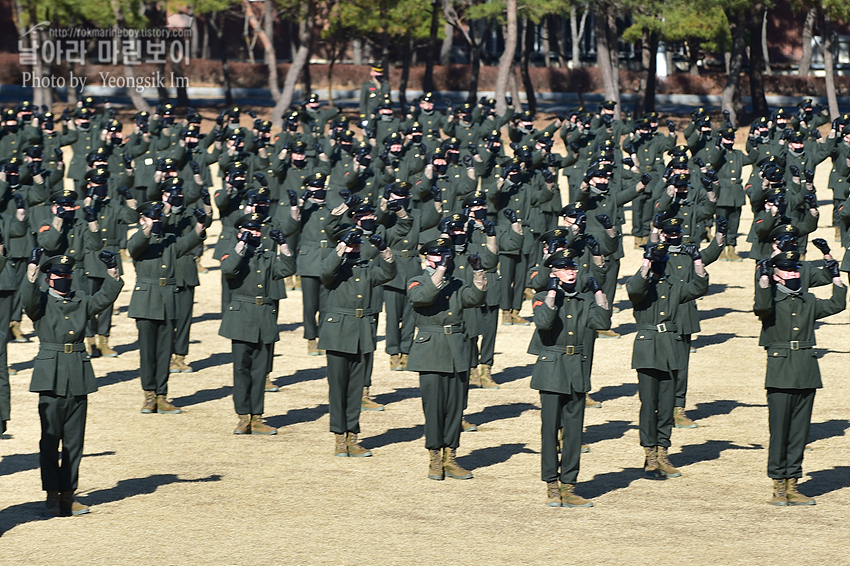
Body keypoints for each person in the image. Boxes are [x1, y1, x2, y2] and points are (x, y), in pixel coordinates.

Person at [23, 250, 123, 516]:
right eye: (58, 275)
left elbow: (105, 298)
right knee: (49, 440)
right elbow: (28, 299)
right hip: (51, 375)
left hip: (78, 374)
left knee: (74, 441)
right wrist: (32, 269)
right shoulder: (41, 303)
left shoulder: (81, 299)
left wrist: (112, 270)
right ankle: (52, 494)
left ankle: (69, 493)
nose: (63, 278)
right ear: (48, 279)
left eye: (67, 275)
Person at [754, 251, 846, 506]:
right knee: (780, 431)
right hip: (780, 372)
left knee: (799, 432)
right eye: (788, 270)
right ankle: (778, 485)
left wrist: (836, 277)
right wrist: (763, 280)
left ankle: (793, 483)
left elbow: (837, 305)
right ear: (777, 276)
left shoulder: (808, 300)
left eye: (796, 269)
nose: (794, 273)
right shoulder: (770, 301)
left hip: (806, 372)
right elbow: (761, 307)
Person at [529, 249, 611, 507]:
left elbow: (603, 322)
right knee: (550, 430)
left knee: (574, 433)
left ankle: (569, 486)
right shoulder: (542, 296)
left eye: (573, 268)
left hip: (577, 367)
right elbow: (543, 323)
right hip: (552, 368)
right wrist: (552, 292)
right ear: (553, 273)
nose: (571, 272)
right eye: (564, 269)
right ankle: (551, 484)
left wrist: (599, 292)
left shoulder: (585, 300)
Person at [626, 242, 708, 479]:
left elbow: (699, 288)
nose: (661, 265)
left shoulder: (675, 285)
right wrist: (645, 263)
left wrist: (697, 261)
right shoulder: (641, 284)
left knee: (666, 405)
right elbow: (635, 290)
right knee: (648, 403)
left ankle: (663, 451)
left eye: (662, 260)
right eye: (657, 260)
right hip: (648, 348)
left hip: (670, 348)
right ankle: (649, 453)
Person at [407, 238, 486, 480]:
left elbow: (475, 298)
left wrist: (479, 272)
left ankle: (450, 457)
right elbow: (422, 298)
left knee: (455, 408)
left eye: (446, 255)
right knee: (433, 408)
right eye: (437, 255)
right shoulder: (416, 281)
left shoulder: (457, 283)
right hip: (431, 350)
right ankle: (434, 458)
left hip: (457, 350)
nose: (444, 259)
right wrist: (440, 270)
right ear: (426, 258)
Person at [319, 226, 395, 456]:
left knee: (355, 389)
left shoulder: (367, 268)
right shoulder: (334, 266)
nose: (355, 248)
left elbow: (389, 274)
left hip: (362, 333)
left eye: (357, 244)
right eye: (352, 243)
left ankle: (353, 436)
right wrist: (342, 246)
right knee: (338, 389)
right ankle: (339, 438)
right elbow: (325, 273)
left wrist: (384, 251)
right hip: (338, 334)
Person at [220, 214, 295, 435]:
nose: (255, 233)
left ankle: (257, 417)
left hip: (264, 316)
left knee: (260, 370)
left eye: (257, 230)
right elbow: (229, 270)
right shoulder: (232, 253)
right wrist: (241, 244)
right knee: (242, 369)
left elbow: (287, 270)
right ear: (240, 231)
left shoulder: (268, 256)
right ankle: (243, 417)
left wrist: (283, 245)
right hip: (242, 316)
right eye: (249, 230)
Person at [128, 202, 206, 414]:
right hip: (146, 301)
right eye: (153, 217)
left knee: (164, 352)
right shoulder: (138, 240)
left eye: (160, 217)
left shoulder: (170, 240)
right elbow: (136, 246)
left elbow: (187, 243)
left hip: (167, 300)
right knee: (147, 352)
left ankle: (162, 395)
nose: (158, 221)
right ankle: (149, 395)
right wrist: (147, 226)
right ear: (142, 219)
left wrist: (200, 225)